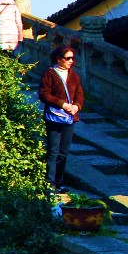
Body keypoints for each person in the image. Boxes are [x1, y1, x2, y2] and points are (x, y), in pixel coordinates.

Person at [38, 43, 83, 192]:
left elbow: (79, 94)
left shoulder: (73, 75)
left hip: (69, 117)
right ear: (59, 59)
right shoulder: (50, 73)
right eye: (67, 58)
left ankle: (59, 182)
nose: (71, 61)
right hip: (54, 117)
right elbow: (44, 94)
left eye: (72, 58)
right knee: (53, 151)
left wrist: (76, 106)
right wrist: (62, 104)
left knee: (63, 152)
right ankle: (49, 184)